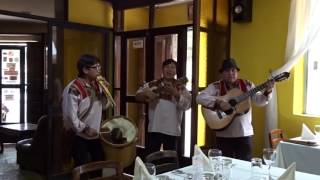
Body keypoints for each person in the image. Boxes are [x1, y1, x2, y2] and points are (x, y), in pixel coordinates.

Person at [196, 58, 274, 161]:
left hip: (244, 134)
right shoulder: (216, 87)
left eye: (233, 70)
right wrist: (219, 102)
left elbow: (259, 101)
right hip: (224, 135)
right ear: (222, 73)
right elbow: (199, 98)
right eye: (227, 71)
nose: (231, 73)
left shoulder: (247, 85)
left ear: (237, 72)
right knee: (224, 164)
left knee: (244, 166)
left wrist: (268, 90)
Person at [62, 54, 111, 167]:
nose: (99, 71)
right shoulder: (74, 89)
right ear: (85, 70)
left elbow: (103, 106)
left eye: (100, 67)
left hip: (95, 135)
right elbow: (70, 116)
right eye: (96, 67)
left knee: (99, 165)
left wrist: (105, 92)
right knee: (82, 169)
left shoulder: (96, 85)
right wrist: (86, 129)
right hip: (78, 136)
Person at [135, 59, 191, 154]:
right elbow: (137, 96)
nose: (169, 69)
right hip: (154, 127)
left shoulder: (181, 87)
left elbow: (187, 106)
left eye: (172, 67)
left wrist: (175, 93)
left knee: (169, 159)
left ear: (176, 71)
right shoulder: (153, 84)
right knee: (151, 157)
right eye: (166, 67)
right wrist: (147, 94)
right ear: (162, 69)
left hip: (172, 128)